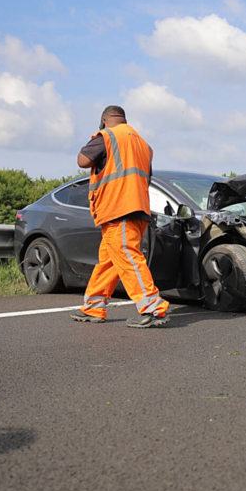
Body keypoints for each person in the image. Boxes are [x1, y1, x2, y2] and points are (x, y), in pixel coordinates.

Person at [70, 106, 170, 327]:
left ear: (104, 120)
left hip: (118, 208)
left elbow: (83, 161)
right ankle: (94, 307)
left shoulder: (106, 136)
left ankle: (153, 308)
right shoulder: (144, 145)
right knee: (110, 261)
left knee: (127, 258)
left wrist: (96, 137)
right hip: (138, 208)